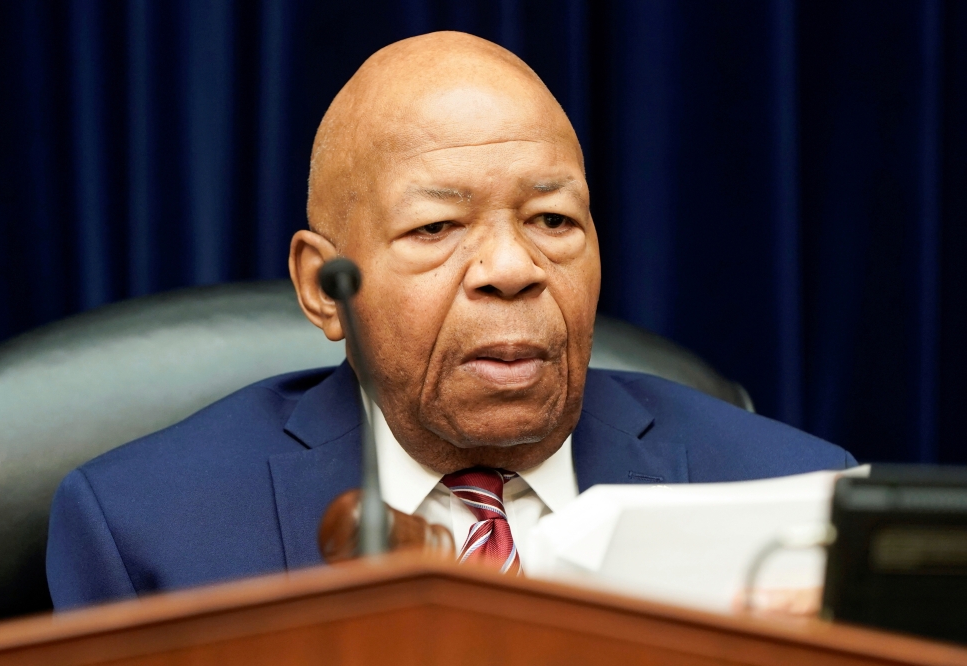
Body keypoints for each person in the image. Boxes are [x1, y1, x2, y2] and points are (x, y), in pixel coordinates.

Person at [46, 32, 856, 609]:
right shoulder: (145, 529)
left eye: (552, 220)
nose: (512, 270)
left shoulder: (800, 497)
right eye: (436, 229)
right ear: (322, 288)